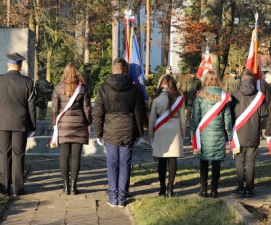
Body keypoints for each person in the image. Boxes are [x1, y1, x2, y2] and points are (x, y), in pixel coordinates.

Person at [92, 58, 146, 206]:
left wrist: (98, 133)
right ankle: (121, 198)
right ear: (126, 70)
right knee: (125, 164)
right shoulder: (134, 88)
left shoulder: (103, 87)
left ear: (113, 69)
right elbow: (139, 112)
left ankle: (113, 197)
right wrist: (140, 133)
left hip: (110, 130)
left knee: (112, 163)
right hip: (128, 129)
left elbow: (98, 113)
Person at [0, 52, 35, 197]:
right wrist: (32, 126)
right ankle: (18, 188)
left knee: (4, 155)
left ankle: (4, 187)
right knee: (19, 155)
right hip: (20, 123)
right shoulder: (28, 82)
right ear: (20, 66)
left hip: (2, 123)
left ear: (8, 64)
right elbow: (31, 107)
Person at [50, 63, 90, 196]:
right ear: (77, 73)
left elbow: (55, 109)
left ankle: (65, 186)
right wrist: (88, 122)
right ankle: (74, 186)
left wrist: (55, 125)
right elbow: (87, 109)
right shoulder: (82, 88)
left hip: (63, 125)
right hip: (78, 125)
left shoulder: (57, 88)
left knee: (64, 156)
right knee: (76, 157)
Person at [192, 70, 232, 199]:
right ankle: (214, 190)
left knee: (203, 162)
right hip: (218, 133)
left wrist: (193, 133)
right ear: (218, 80)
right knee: (216, 163)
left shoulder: (199, 96)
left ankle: (203, 189)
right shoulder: (224, 96)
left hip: (203, 133)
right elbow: (227, 119)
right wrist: (229, 135)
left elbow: (195, 117)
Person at [231, 69, 267, 197]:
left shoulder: (234, 94)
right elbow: (263, 113)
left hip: (238, 132)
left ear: (242, 79)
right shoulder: (259, 95)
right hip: (253, 131)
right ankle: (249, 188)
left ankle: (240, 187)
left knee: (239, 161)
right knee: (251, 161)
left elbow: (230, 114)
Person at [150, 73, 186, 197]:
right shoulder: (179, 99)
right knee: (172, 159)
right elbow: (183, 119)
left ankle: (162, 188)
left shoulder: (156, 99)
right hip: (174, 128)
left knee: (161, 160)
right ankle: (171, 189)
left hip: (160, 130)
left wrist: (151, 135)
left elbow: (152, 119)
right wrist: (183, 133)